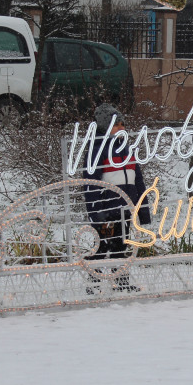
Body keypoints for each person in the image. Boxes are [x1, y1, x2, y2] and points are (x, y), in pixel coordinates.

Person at [83, 103, 151, 293]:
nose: (122, 128)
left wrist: (142, 210)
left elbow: (138, 182)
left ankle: (121, 281)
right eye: (116, 125)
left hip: (125, 209)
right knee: (102, 247)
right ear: (105, 127)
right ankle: (93, 283)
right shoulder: (97, 151)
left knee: (121, 246)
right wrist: (96, 213)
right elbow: (91, 185)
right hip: (106, 209)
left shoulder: (128, 151)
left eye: (123, 124)